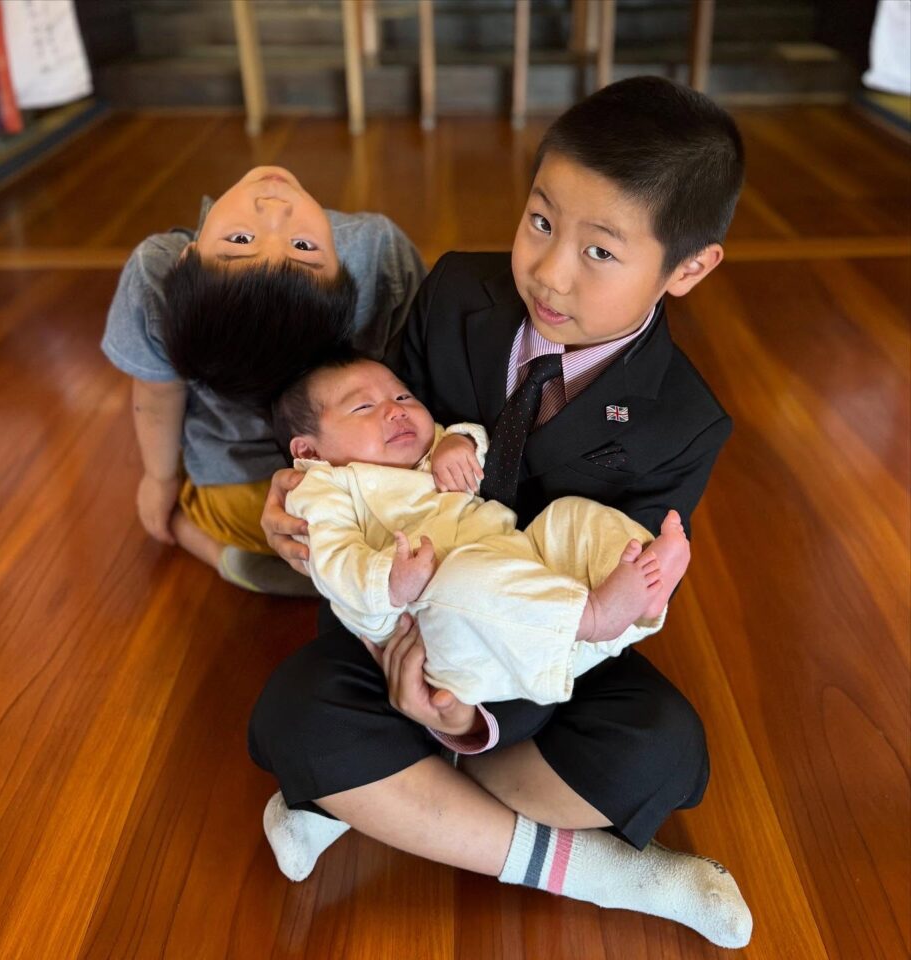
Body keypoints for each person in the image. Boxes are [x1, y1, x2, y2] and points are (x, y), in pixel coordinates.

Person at [251, 77, 753, 948]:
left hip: (539, 649)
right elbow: (367, 431)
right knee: (296, 709)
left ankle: (383, 797)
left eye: (601, 252)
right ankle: (602, 874)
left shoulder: (682, 420)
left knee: (660, 747)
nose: (550, 272)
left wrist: (468, 715)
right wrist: (292, 496)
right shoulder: (457, 295)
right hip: (400, 618)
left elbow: (622, 604)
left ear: (689, 268)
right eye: (540, 221)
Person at [275, 352, 691, 705]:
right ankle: (594, 619)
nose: (396, 409)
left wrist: (461, 442)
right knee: (458, 579)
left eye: (402, 395)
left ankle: (641, 593)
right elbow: (332, 561)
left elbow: (471, 441)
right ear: (308, 449)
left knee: (567, 517)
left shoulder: (427, 447)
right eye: (362, 407)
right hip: (443, 628)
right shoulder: (321, 488)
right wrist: (390, 581)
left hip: (516, 561)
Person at [101, 166, 426, 594]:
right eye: (240, 240)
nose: (274, 210)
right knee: (395, 557)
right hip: (355, 493)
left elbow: (157, 392)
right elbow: (417, 365)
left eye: (302, 245)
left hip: (244, 490)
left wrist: (159, 479)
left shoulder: (153, 269)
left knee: (334, 565)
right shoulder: (379, 247)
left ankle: (215, 549)